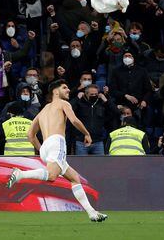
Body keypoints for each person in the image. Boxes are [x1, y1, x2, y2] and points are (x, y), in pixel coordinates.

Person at [6, 79, 107, 222]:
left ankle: (92, 212)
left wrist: (42, 150)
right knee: (52, 176)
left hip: (46, 146)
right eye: (64, 88)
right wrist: (86, 133)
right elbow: (75, 120)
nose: (68, 90)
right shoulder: (63, 104)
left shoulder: (43, 110)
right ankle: (20, 174)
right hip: (57, 142)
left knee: (74, 178)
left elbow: (30, 135)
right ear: (55, 91)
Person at [70, 84, 118, 155]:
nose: (94, 96)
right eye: (91, 94)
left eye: (96, 94)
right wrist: (77, 98)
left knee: (100, 165)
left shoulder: (101, 104)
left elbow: (116, 112)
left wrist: (106, 100)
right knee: (81, 165)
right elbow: (69, 110)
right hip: (81, 141)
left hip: (98, 141)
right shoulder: (80, 103)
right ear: (86, 94)